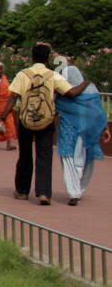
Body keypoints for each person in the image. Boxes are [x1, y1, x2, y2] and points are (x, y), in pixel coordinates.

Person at [5, 44, 91, 205]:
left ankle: (23, 191)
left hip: (26, 120)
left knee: (25, 155)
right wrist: (86, 83)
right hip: (46, 121)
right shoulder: (53, 76)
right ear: (48, 58)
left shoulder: (23, 74)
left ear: (32, 57)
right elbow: (71, 93)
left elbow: (13, 97)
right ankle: (44, 192)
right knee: (44, 156)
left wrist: (4, 116)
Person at [55, 64, 106, 205]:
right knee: (83, 161)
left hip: (69, 131)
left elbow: (55, 107)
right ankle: (77, 190)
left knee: (69, 160)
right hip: (87, 131)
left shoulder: (63, 91)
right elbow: (98, 111)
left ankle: (74, 192)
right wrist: (104, 128)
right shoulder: (89, 89)